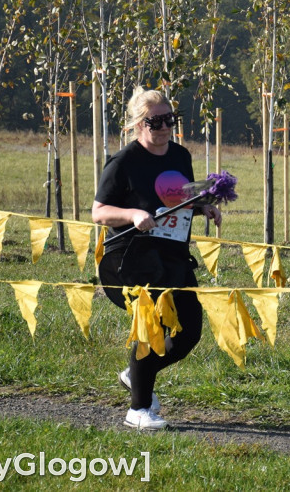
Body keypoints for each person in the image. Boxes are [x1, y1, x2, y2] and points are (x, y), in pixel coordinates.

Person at [92, 88, 221, 431]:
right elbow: (98, 212)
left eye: (170, 120)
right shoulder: (123, 163)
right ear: (138, 124)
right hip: (129, 256)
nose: (165, 127)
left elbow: (183, 196)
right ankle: (139, 410)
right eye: (156, 121)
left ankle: (135, 373)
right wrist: (133, 213)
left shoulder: (180, 155)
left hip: (172, 254)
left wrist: (203, 205)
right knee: (153, 327)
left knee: (190, 330)